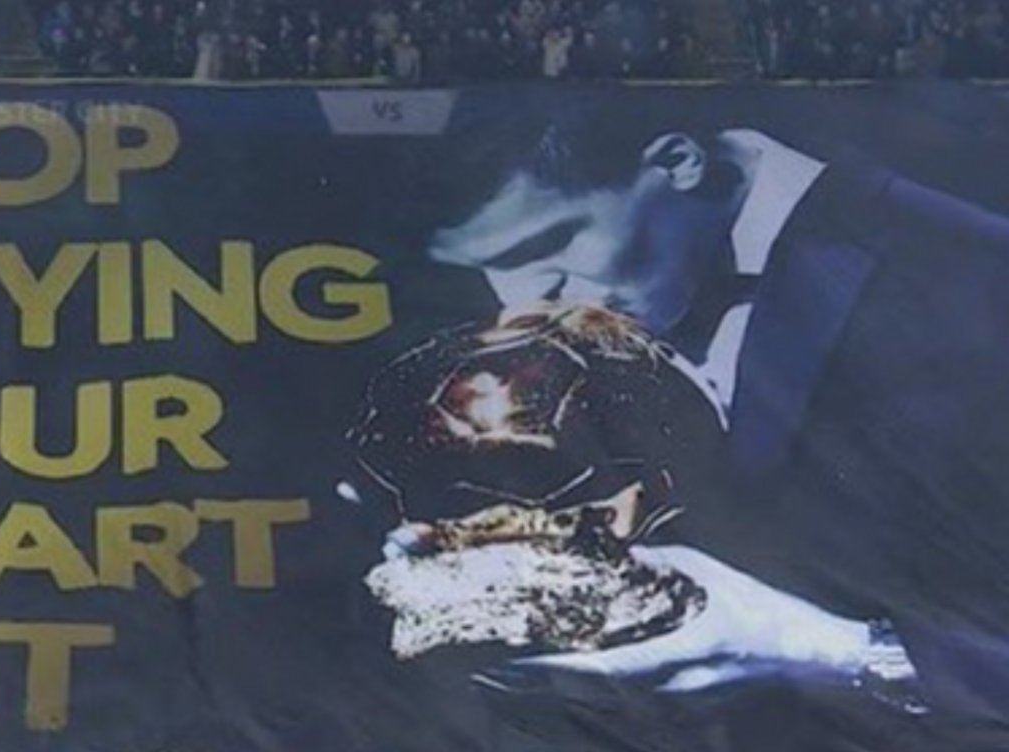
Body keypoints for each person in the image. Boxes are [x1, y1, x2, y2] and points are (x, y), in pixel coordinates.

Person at [423, 101, 1009, 733]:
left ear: (678, 164)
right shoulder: (611, 301)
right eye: (492, 268)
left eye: (548, 243)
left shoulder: (976, 278)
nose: (524, 304)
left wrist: (834, 651)